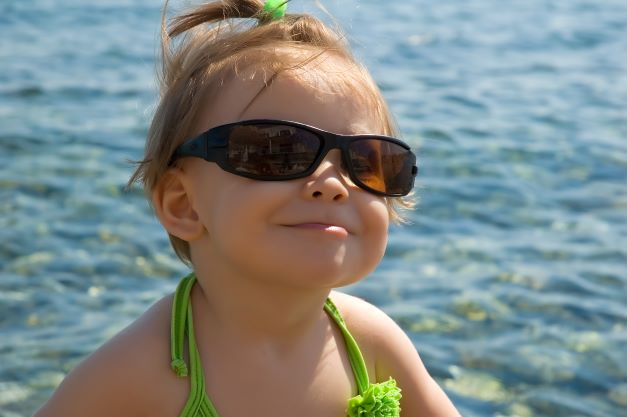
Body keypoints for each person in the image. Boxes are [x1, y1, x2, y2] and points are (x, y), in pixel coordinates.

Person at [34, 1, 461, 416]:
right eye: (277, 152)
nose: (333, 185)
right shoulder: (139, 372)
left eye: (368, 161)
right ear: (184, 205)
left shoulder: (371, 344)